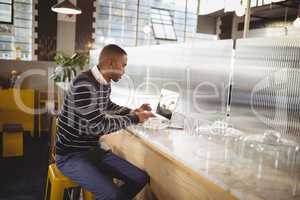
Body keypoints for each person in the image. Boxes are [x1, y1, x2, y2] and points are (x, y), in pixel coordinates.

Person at [55, 44, 154, 200]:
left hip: (93, 151)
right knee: (111, 195)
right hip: (71, 156)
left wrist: (132, 111)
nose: (124, 71)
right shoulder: (84, 84)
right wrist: (135, 118)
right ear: (110, 63)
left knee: (140, 178)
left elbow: (107, 105)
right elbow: (98, 125)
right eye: (123, 65)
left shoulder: (104, 83)